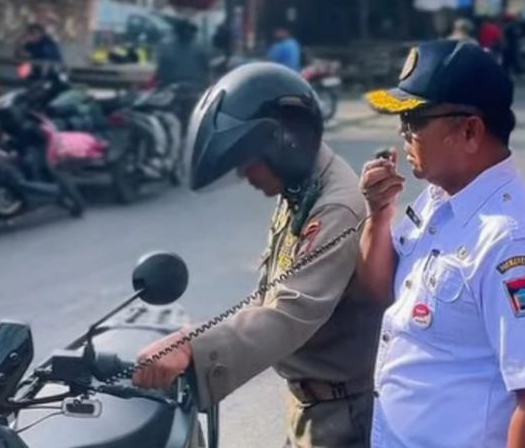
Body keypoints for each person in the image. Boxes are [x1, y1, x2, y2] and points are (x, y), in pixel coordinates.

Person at [133, 62, 383, 448]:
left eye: (246, 161)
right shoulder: (303, 193)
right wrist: (193, 336)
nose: (244, 176)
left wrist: (192, 348)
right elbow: (269, 293)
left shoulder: (337, 207)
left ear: (283, 144)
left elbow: (290, 312)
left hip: (342, 418)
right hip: (312, 408)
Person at [359, 40, 525, 448]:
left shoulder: (513, 243)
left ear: (470, 130)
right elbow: (379, 291)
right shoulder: (440, 201)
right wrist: (379, 213)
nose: (403, 133)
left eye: (415, 119)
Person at [155, 19, 210, 128]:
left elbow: (161, 72)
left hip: (173, 90)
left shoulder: (165, 48)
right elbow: (207, 69)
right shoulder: (201, 48)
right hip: (194, 90)